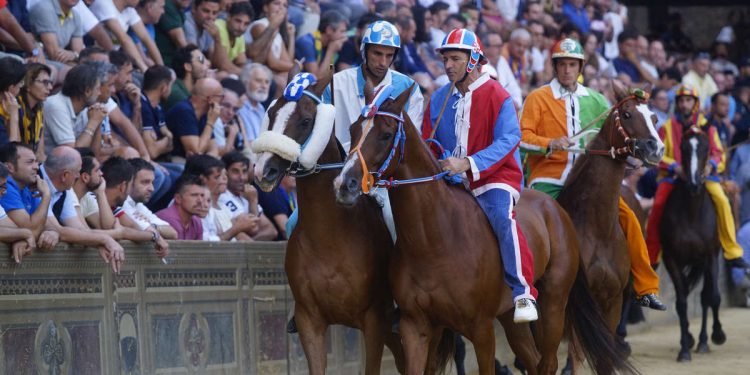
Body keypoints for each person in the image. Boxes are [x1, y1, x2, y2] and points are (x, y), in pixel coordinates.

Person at [519, 38, 666, 310]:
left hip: (591, 184)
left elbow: (616, 135)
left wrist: (630, 155)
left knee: (630, 218)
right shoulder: (538, 98)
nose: (566, 70)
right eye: (562, 64)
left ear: (580, 67)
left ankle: (645, 288)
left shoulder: (597, 100)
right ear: (555, 67)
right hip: (549, 181)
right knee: (527, 226)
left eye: (572, 65)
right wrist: (549, 143)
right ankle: (524, 290)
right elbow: (521, 138)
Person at [422, 28, 537, 323]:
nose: (447, 65)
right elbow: (427, 140)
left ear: (473, 60)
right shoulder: (438, 98)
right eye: (445, 59)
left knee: (502, 216)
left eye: (455, 59)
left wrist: (468, 163)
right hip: (449, 181)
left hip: (494, 178)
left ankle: (523, 292)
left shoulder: (499, 95)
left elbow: (509, 139)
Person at [646, 84, 750, 271]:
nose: (685, 105)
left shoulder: (707, 127)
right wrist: (675, 167)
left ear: (695, 103)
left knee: (722, 200)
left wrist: (711, 165)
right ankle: (652, 256)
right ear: (677, 104)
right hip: (673, 177)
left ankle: (732, 252)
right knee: (658, 206)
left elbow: (719, 153)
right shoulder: (667, 127)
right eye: (681, 101)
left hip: (704, 176)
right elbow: (658, 154)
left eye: (688, 100)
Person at [323, 20, 424, 151]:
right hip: (339, 166)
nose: (383, 62)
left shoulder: (409, 88)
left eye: (389, 56)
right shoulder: (335, 83)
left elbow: (411, 142)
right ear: (364, 51)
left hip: (387, 169)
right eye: (377, 53)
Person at [43, 146, 125, 272]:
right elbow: (60, 231)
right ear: (64, 175)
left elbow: (79, 229)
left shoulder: (66, 190)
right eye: (77, 171)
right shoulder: (36, 183)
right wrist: (107, 238)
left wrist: (97, 243)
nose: (78, 176)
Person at [184, 154, 258, 241]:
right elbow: (205, 246)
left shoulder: (224, 205)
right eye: (218, 176)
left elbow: (244, 235)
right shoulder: (193, 204)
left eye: (225, 175)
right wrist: (236, 229)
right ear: (202, 179)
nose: (224, 179)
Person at [0, 142, 58, 249]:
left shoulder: (28, 187)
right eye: (30, 162)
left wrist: (52, 232)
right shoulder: (5, 187)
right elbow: (32, 230)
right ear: (9, 167)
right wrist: (46, 196)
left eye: (36, 162)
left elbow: (44, 223)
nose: (36, 167)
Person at [43, 64, 107, 156]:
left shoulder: (87, 109)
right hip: (51, 166)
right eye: (97, 89)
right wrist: (92, 123)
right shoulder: (56, 107)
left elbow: (95, 155)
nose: (99, 93)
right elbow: (72, 154)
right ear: (87, 91)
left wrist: (98, 122)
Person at [220, 151, 277, 240]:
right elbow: (254, 228)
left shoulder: (247, 195)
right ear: (225, 173)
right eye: (235, 172)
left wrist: (249, 243)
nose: (242, 177)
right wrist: (253, 201)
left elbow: (271, 231)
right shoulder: (222, 196)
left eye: (244, 171)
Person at [167, 78, 223, 159]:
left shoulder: (205, 113)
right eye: (221, 96)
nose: (221, 101)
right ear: (210, 99)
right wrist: (210, 123)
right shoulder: (184, 111)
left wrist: (205, 162)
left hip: (195, 162)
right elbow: (196, 152)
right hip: (174, 159)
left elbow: (214, 150)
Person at [124, 158, 178, 239]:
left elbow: (173, 233)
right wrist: (151, 226)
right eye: (145, 182)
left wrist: (151, 225)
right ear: (128, 182)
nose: (152, 188)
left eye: (152, 182)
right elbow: (142, 229)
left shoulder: (138, 204)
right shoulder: (122, 204)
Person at [250, 0, 295, 90]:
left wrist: (291, 36)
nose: (281, 8)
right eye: (277, 3)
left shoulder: (277, 32)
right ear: (266, 8)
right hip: (254, 72)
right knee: (284, 82)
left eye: (285, 6)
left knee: (293, 78)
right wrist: (297, 66)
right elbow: (273, 63)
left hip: (268, 72)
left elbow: (287, 61)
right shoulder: (260, 25)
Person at [295, 10, 348, 78]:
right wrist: (331, 51)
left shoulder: (329, 44)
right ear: (329, 30)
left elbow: (330, 74)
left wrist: (332, 53)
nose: (344, 37)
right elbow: (316, 78)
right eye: (342, 31)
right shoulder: (306, 43)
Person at [29, 0, 84, 65]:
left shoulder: (75, 16)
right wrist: (74, 56)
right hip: (37, 60)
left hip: (58, 62)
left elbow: (80, 53)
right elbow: (55, 55)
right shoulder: (44, 9)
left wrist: (74, 55)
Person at [17, 64, 53, 162]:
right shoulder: (14, 107)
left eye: (50, 82)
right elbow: (15, 149)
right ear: (28, 84)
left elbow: (40, 153)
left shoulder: (39, 109)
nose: (50, 87)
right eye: (45, 82)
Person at [155, 173, 207, 240]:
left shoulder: (196, 221)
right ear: (178, 198)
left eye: (202, 195)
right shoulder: (168, 219)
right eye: (194, 195)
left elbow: (200, 249)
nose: (200, 200)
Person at [165, 44, 211, 111]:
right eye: (201, 60)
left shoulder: (191, 93)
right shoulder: (175, 92)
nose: (208, 63)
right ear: (188, 66)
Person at [213, 1, 254, 75]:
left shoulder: (239, 35)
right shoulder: (218, 27)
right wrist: (247, 75)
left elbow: (241, 62)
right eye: (238, 21)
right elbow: (223, 65)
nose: (241, 27)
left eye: (246, 24)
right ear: (229, 17)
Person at [237, 63, 272, 143]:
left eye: (267, 82)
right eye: (259, 81)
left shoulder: (260, 108)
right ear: (245, 83)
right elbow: (249, 143)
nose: (264, 86)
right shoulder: (239, 107)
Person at [0, 57, 26, 145]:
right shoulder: (13, 109)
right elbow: (13, 152)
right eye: (21, 83)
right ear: (11, 88)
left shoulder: (12, 105)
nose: (22, 86)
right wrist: (13, 117)